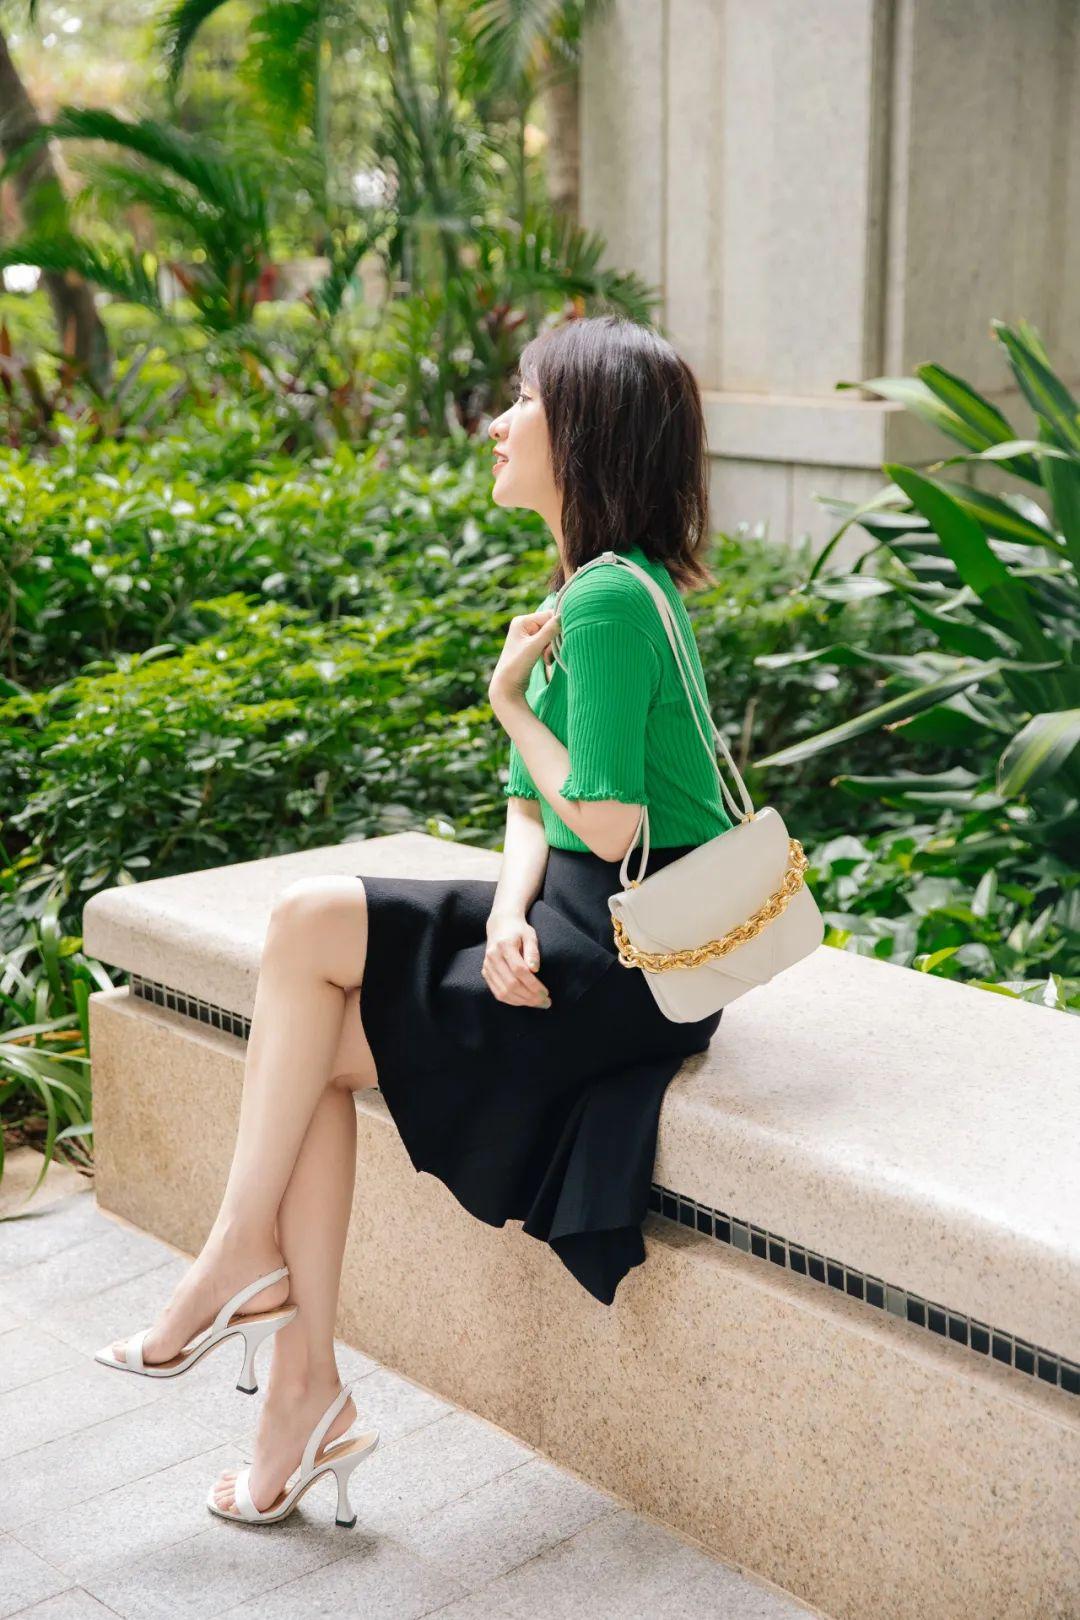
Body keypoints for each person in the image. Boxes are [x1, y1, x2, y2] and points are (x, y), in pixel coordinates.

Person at [95, 314, 734, 1526]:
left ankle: (252, 1288)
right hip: (574, 917)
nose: (498, 423)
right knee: (306, 971)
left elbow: (607, 825)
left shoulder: (608, 602)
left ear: (585, 432)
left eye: (524, 400)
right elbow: (532, 809)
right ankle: (299, 1381)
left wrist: (507, 698)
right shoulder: (591, 588)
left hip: (630, 957)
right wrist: (505, 912)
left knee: (308, 987)